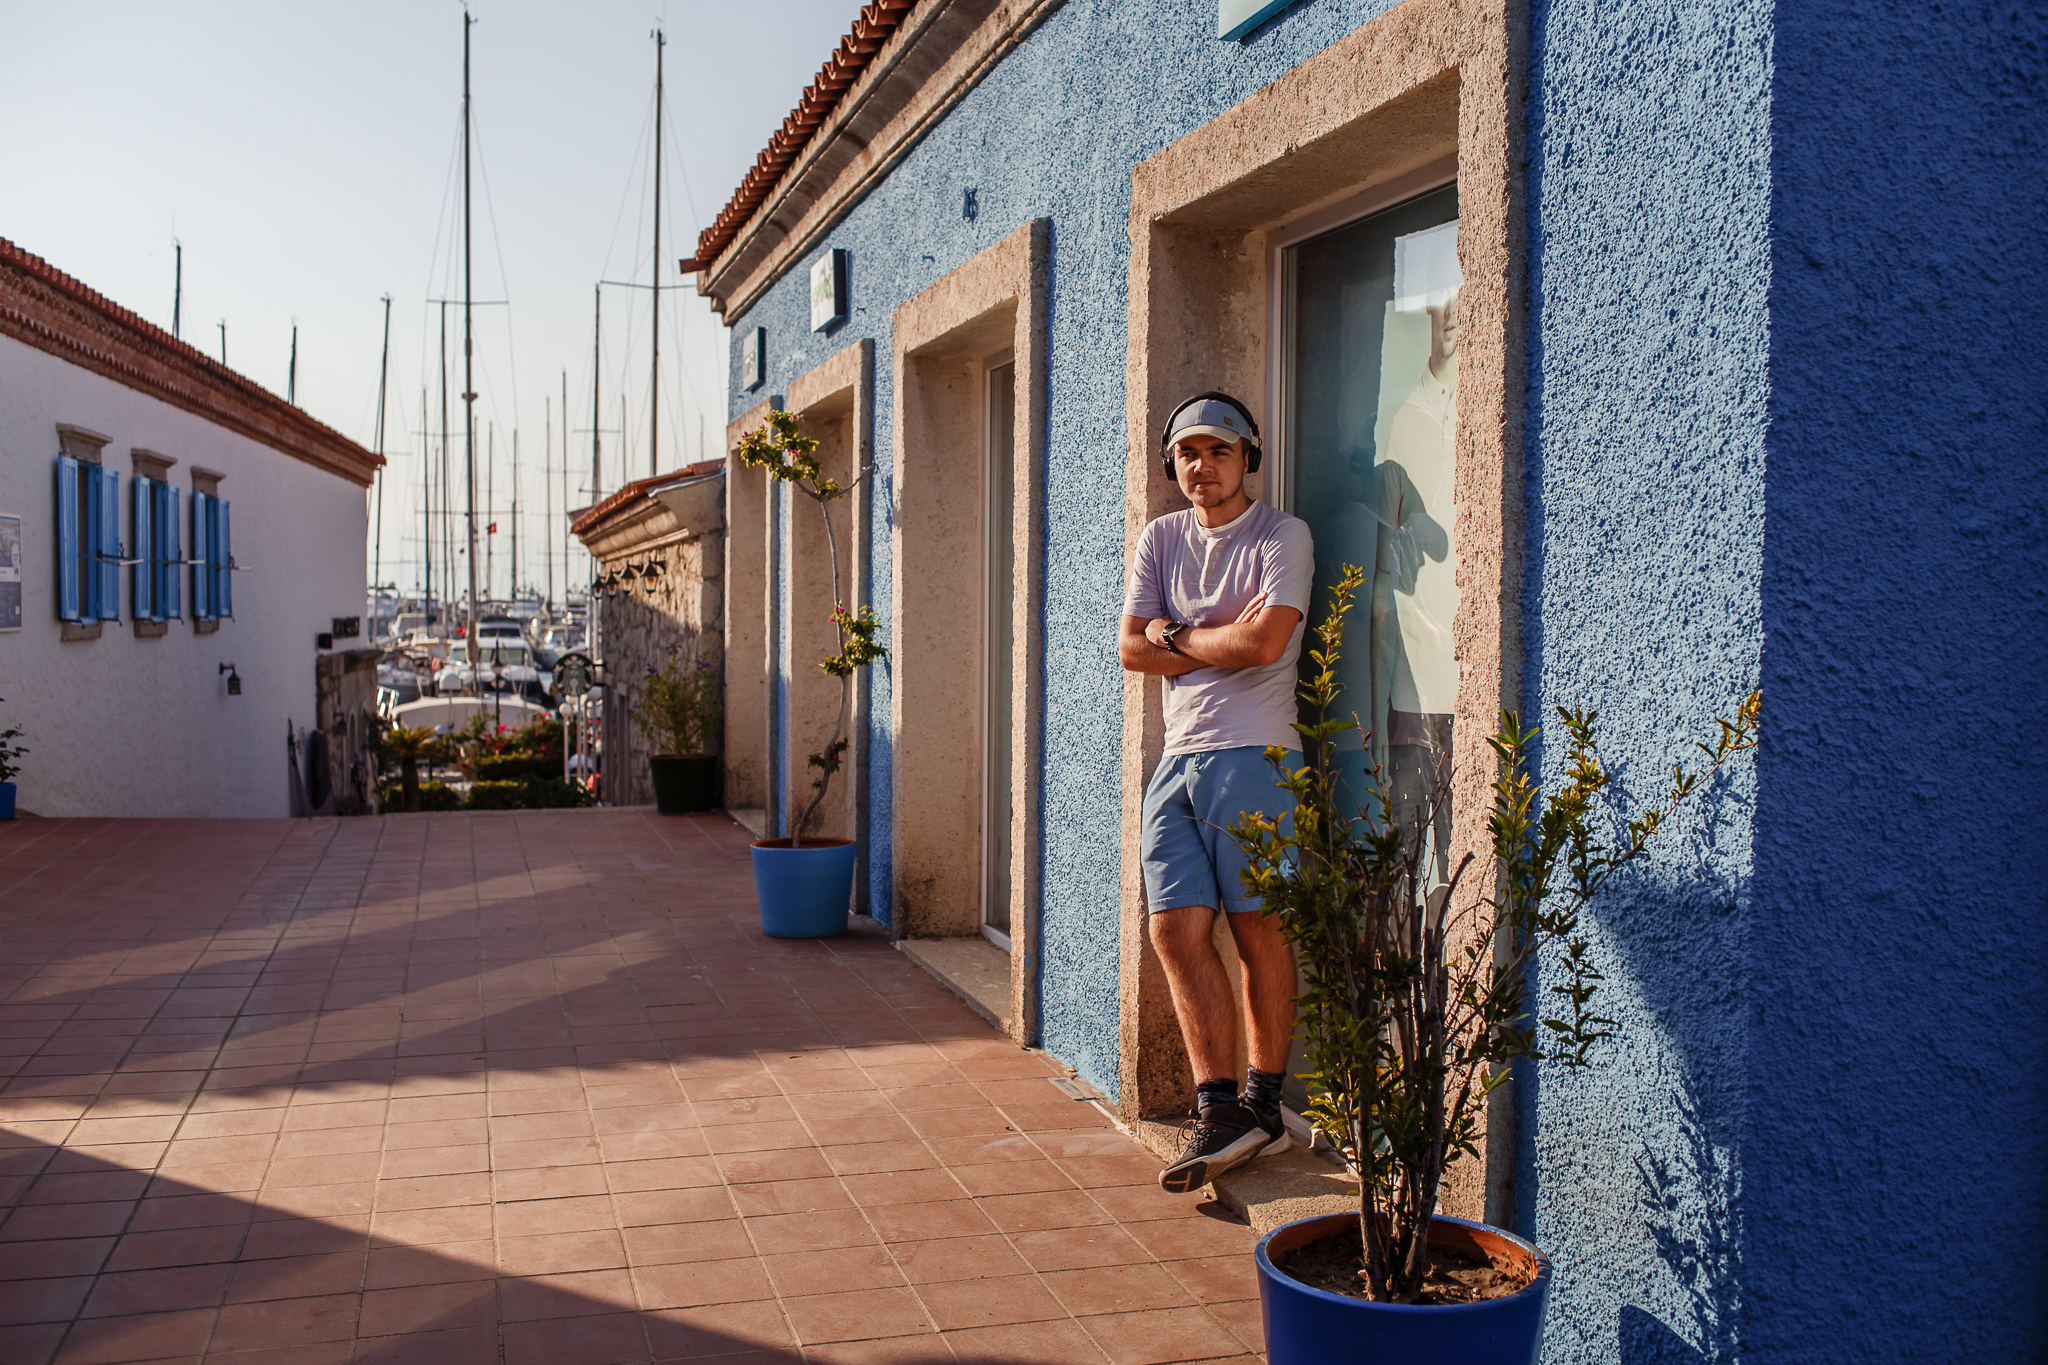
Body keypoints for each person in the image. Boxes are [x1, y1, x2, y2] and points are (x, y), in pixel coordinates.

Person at [1119, 392, 1314, 1193]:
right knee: (1174, 931)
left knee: (1259, 927)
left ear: (1248, 459)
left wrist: (1176, 635)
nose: (1203, 466)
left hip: (1258, 754)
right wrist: (1206, 640)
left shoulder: (1282, 534)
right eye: (1188, 453)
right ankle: (1219, 1106)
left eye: (1219, 451)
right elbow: (1132, 649)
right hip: (1179, 758)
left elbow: (1267, 640)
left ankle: (1264, 1101)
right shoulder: (1161, 538)